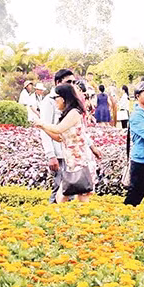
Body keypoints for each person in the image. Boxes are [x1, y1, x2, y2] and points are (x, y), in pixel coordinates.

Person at [34, 83, 101, 203]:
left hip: (81, 160)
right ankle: (65, 219)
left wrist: (42, 124)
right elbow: (59, 137)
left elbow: (59, 129)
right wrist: (43, 128)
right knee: (63, 195)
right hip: (71, 162)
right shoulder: (67, 114)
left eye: (56, 98)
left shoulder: (74, 113)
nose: (55, 102)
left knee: (81, 196)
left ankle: (80, 219)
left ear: (63, 98)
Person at [38, 69, 75, 203]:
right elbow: (45, 127)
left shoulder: (70, 99)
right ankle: (51, 219)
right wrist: (50, 155)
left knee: (71, 190)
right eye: (68, 82)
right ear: (58, 82)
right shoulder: (49, 101)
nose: (72, 84)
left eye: (73, 82)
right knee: (60, 189)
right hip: (58, 153)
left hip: (70, 152)